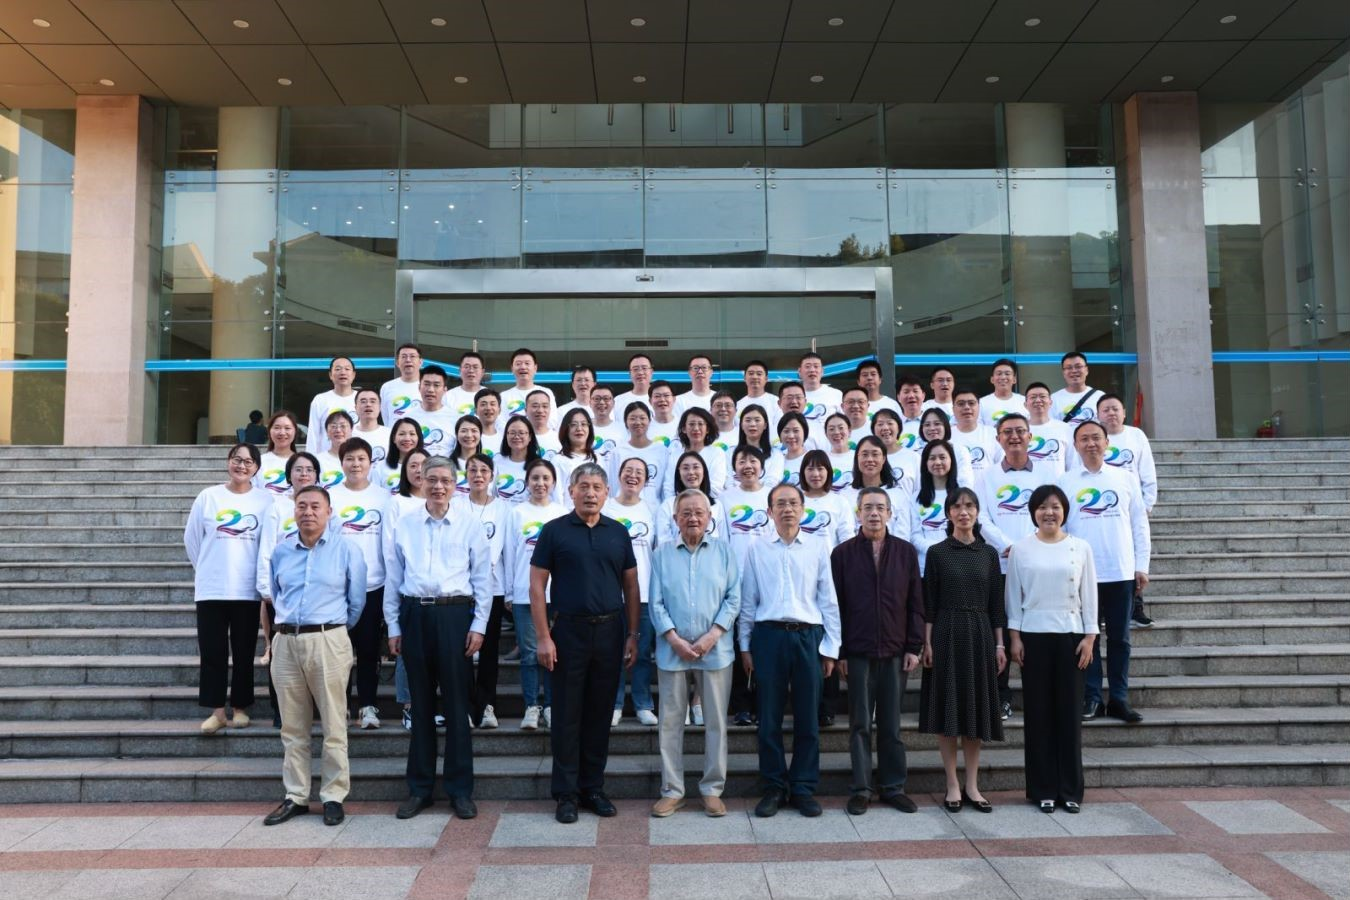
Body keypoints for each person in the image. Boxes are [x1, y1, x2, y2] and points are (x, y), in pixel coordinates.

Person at [530, 463, 641, 824]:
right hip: (567, 633)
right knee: (566, 714)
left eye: (597, 487)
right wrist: (543, 637)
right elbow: (536, 586)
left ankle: (593, 788)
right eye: (584, 486)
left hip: (610, 632)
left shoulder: (618, 532)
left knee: (599, 713)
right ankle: (566, 793)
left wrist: (633, 634)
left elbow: (631, 586)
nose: (590, 493)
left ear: (607, 493)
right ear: (571, 491)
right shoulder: (554, 531)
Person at [383, 456, 493, 821]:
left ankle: (460, 790)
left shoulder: (469, 524)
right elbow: (394, 577)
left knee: (458, 706)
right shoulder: (406, 523)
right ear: (421, 480)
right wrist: (394, 625)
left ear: (455, 484)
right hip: (415, 614)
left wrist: (479, 625)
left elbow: (482, 578)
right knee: (421, 705)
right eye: (432, 479)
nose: (438, 486)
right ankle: (420, 789)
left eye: (445, 479)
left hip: (454, 616)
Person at [262, 485, 366, 828]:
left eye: (315, 506)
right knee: (293, 727)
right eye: (302, 506)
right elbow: (275, 595)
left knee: (334, 724)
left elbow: (356, 602)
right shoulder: (281, 552)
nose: (308, 512)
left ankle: (333, 796)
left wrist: (332, 630)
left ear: (329, 512)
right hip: (286, 642)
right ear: (294, 510)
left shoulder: (347, 549)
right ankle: (296, 795)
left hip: (328, 639)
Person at [739, 482, 842, 819]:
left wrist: (830, 648)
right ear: (769, 511)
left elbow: (828, 600)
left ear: (802, 509)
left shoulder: (817, 547)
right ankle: (773, 786)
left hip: (808, 638)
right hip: (768, 637)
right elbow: (748, 601)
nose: (787, 509)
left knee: (807, 718)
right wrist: (745, 645)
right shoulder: (756, 549)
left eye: (793, 503)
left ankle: (802, 787)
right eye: (780, 504)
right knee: (768, 718)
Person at [1006, 484, 1098, 814]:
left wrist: (1090, 637)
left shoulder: (1080, 547)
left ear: (1064, 512)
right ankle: (1042, 788)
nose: (1049, 512)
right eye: (1043, 506)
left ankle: (1070, 789)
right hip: (1033, 636)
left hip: (1071, 637)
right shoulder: (1021, 549)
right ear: (1033, 512)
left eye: (1056, 506)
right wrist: (1015, 638)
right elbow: (1012, 596)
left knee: (1069, 715)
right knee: (1038, 715)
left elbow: (1090, 594)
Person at [649, 490, 741, 818]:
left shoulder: (724, 552)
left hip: (715, 650)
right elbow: (655, 602)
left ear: (709, 517)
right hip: (672, 650)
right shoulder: (661, 554)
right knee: (670, 723)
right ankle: (672, 791)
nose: (693, 518)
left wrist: (712, 635)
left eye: (699, 512)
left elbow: (733, 598)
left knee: (715, 722)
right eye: (686, 512)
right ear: (675, 518)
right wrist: (674, 639)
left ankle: (712, 789)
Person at [832, 486, 924, 816]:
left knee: (891, 724)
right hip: (857, 651)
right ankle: (861, 788)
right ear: (857, 513)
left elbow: (916, 603)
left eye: (880, 508)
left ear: (890, 513)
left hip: (896, 650)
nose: (874, 513)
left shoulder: (905, 552)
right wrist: (840, 652)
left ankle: (893, 786)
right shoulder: (842, 554)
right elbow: (836, 606)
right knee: (859, 723)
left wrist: (914, 646)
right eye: (867, 508)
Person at [919, 487, 1006, 813]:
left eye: (969, 506)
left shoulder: (989, 554)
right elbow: (929, 603)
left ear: (978, 511)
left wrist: (1000, 644)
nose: (963, 512)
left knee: (975, 709)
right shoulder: (937, 552)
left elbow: (996, 604)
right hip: (946, 632)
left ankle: (972, 784)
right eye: (957, 506)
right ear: (948, 513)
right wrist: (927, 642)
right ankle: (952, 784)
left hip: (980, 634)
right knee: (948, 708)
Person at [1059, 421, 1150, 724]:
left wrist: (1141, 565)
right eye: (1084, 439)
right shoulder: (1066, 482)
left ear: (1107, 442)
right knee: (1088, 637)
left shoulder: (1125, 478)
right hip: (1082, 574)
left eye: (1096, 438)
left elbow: (1139, 523)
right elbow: (1061, 529)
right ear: (1075, 446)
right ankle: (1093, 697)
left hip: (1120, 571)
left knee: (1120, 638)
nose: (1091, 444)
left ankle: (1119, 698)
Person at [184, 443, 270, 734]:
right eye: (237, 459)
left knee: (244, 652)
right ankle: (217, 711)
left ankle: (241, 708)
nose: (241, 466)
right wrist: (209, 567)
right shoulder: (208, 497)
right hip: (212, 589)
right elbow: (192, 539)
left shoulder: (265, 501)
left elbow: (268, 544)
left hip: (247, 589)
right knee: (213, 652)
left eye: (248, 462)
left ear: (256, 468)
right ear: (228, 462)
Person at [975, 413, 1055, 722]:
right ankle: (1001, 695)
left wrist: (1033, 546)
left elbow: (1055, 512)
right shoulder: (987, 477)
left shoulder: (1047, 474)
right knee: (1003, 632)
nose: (1014, 436)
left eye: (1020, 431)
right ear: (998, 439)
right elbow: (981, 517)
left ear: (1030, 436)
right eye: (1007, 432)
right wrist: (1008, 545)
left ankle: (1040, 694)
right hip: (1002, 564)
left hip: (1040, 563)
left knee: (1037, 628)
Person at [327, 437, 390, 729]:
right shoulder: (330, 496)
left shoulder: (384, 497)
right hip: (337, 587)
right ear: (341, 463)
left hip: (374, 585)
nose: (355, 464)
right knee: (338, 653)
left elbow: (389, 543)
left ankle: (368, 706)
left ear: (370, 462)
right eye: (350, 459)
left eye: (361, 458)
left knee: (368, 651)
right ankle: (339, 708)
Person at [256, 451, 320, 727]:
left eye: (309, 469)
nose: (304, 474)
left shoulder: (325, 504)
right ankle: (280, 709)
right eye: (298, 469)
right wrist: (265, 589)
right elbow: (267, 549)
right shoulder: (278, 507)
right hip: (283, 592)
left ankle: (314, 707)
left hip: (318, 591)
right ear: (289, 475)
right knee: (281, 653)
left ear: (317, 475)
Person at [503, 458, 568, 731]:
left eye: (545, 478)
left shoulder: (563, 513)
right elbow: (509, 553)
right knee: (530, 653)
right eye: (535, 478)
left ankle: (552, 706)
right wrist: (509, 591)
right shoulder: (516, 513)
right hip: (524, 593)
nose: (540, 483)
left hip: (558, 595)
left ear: (553, 482)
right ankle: (532, 706)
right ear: (527, 482)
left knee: (554, 652)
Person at [604, 458, 660, 727]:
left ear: (646, 480)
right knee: (612, 651)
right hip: (610, 593)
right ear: (619, 475)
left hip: (644, 591)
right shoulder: (606, 507)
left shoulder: (652, 509)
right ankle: (613, 704)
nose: (633, 476)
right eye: (628, 471)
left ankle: (642, 703)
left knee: (642, 650)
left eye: (639, 472)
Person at [1096, 392, 1158, 629]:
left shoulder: (1136, 435)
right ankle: (1103, 611)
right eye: (1106, 410)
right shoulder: (1093, 437)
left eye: (1115, 409)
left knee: (1134, 558)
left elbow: (1147, 472)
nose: (1111, 413)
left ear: (1124, 413)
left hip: (1131, 507)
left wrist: (1147, 504)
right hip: (1103, 508)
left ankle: (1136, 608)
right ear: (1098, 415)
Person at [721, 445, 772, 727]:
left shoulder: (772, 495)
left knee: (762, 642)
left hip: (767, 578)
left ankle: (763, 703)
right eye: (742, 461)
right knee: (738, 641)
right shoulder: (725, 498)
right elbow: (722, 540)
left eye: (753, 460)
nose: (748, 466)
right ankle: (741, 705)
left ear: (762, 465)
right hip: (736, 579)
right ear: (735, 467)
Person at [459, 453, 509, 730]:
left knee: (489, 649)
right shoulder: (457, 505)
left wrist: (510, 590)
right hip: (462, 587)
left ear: (491, 476)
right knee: (464, 649)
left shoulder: (503, 509)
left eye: (484, 470)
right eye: (473, 470)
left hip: (494, 587)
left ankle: (487, 704)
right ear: (465, 475)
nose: (478, 475)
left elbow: (509, 551)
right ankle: (466, 705)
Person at [658, 451, 730, 547]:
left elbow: (723, 542)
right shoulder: (668, 505)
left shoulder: (716, 505)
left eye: (696, 467)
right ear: (679, 474)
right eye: (685, 468)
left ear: (704, 472)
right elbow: (663, 544)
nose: (691, 472)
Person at [910, 439, 961, 573]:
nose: (937, 462)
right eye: (932, 458)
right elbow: (915, 535)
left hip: (958, 564)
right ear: (925, 463)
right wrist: (938, 550)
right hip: (926, 566)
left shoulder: (962, 494)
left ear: (951, 460)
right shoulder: (916, 498)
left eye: (942, 457)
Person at [843, 435, 910, 538]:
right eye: (865, 455)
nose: (870, 459)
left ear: (883, 459)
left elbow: (903, 534)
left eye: (875, 454)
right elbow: (845, 533)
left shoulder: (899, 495)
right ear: (857, 458)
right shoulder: (845, 496)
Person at [666, 407, 726, 500]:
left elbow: (715, 489)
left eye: (700, 424)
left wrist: (695, 502)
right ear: (684, 429)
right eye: (691, 424)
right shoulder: (675, 455)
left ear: (707, 429)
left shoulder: (717, 453)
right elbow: (668, 488)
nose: (696, 428)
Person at [306, 357, 358, 455]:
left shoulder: (362, 399)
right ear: (330, 375)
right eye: (338, 369)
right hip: (326, 459)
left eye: (347, 369)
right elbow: (313, 433)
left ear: (353, 374)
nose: (343, 372)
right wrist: (310, 459)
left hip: (355, 457)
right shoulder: (320, 400)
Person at [618, 401, 666, 506]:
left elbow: (665, 486)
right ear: (625, 422)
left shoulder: (661, 451)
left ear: (649, 421)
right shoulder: (618, 451)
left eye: (642, 418)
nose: (638, 422)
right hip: (624, 509)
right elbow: (614, 485)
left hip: (653, 509)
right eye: (632, 418)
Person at [1024, 382, 1076, 476]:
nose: (1038, 400)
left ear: (1050, 402)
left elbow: (1072, 463)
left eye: (1042, 396)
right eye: (1033, 397)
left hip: (1057, 484)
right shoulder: (1019, 430)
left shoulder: (1065, 428)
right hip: (1027, 483)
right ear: (1025, 404)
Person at [950, 388, 1001, 480]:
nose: (966, 407)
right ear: (953, 409)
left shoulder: (993, 433)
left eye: (971, 403)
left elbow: (1001, 464)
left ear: (979, 407)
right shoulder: (946, 436)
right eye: (961, 404)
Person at [917, 408, 974, 487]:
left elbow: (965, 483)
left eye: (937, 424)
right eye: (927, 425)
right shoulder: (917, 455)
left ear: (945, 426)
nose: (932, 428)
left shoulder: (959, 451)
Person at [495, 415, 546, 505]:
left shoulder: (539, 466)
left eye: (521, 433)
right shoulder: (497, 461)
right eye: (512, 433)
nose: (517, 436)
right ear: (506, 435)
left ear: (530, 437)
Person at [553, 408, 598, 505]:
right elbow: (556, 497)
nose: (579, 428)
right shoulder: (558, 461)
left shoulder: (597, 458)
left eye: (583, 424)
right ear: (566, 429)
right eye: (573, 424)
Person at [734, 403, 785, 486]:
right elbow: (729, 482)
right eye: (748, 420)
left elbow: (772, 482)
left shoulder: (776, 455)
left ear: (765, 425)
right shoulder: (731, 453)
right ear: (741, 425)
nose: (752, 424)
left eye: (757, 420)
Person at [501, 347, 555, 423]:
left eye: (527, 363)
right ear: (512, 369)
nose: (523, 367)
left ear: (535, 368)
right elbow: (501, 423)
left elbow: (553, 420)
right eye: (518, 364)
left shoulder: (546, 392)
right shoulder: (503, 396)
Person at [414, 364, 458, 457]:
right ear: (419, 387)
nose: (431, 390)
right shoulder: (408, 418)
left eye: (436, 385)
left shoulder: (455, 418)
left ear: (445, 390)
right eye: (426, 384)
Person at [871, 407, 919, 489]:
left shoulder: (914, 457)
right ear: (873, 430)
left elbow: (919, 490)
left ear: (899, 428)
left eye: (890, 423)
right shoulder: (869, 459)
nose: (885, 428)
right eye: (880, 424)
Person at [255, 410, 301, 496]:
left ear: (295, 431)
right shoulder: (259, 462)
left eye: (287, 428)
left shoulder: (303, 462)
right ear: (269, 431)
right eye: (277, 428)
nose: (282, 433)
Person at [380, 343, 424, 426]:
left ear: (421, 362)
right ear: (397, 362)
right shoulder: (387, 387)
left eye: (412, 356)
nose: (408, 360)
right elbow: (386, 418)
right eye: (403, 357)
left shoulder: (428, 387)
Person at [1051, 352, 1101, 425]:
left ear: (1086, 370)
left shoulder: (1100, 396)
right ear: (1063, 373)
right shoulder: (1053, 399)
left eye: (1078, 366)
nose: (1074, 371)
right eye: (1069, 368)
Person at [379, 417, 424, 495]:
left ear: (418, 438)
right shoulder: (380, 468)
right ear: (394, 438)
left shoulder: (429, 467)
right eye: (402, 434)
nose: (407, 438)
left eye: (412, 434)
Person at [979, 358, 1028, 428]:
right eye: (999, 374)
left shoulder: (1025, 401)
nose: (1003, 377)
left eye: (1007, 374)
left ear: (1014, 379)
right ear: (992, 379)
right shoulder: (982, 403)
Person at [798, 351, 841, 430]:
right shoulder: (794, 396)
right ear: (799, 372)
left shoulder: (836, 394)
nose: (812, 370)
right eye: (807, 366)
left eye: (816, 366)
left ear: (822, 371)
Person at [353, 388, 390, 469]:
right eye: (363, 401)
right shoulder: (348, 434)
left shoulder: (391, 434)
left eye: (373, 401)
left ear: (380, 407)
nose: (368, 404)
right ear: (355, 407)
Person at [449, 414, 485, 497]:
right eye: (464, 431)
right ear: (456, 434)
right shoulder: (447, 464)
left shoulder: (488, 465)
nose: (469, 435)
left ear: (480, 434)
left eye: (474, 431)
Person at [315, 411, 350, 490]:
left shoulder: (358, 459)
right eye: (333, 426)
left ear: (351, 430)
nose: (338, 430)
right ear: (327, 432)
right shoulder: (317, 460)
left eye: (343, 426)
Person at [823, 412, 858, 492]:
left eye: (841, 428)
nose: (836, 432)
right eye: (831, 429)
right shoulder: (822, 460)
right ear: (826, 434)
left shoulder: (859, 457)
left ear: (849, 431)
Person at [736, 359, 777, 426]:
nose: (755, 377)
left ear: (766, 379)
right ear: (744, 378)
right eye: (751, 373)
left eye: (759, 374)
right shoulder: (738, 405)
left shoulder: (776, 402)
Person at [446, 350, 486, 417]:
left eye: (475, 367)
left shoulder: (489, 396)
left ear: (482, 372)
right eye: (467, 367)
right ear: (460, 370)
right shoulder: (448, 396)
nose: (471, 370)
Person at [615, 353, 654, 417]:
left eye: (644, 368)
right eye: (635, 369)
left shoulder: (663, 399)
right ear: (630, 373)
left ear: (651, 372)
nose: (640, 372)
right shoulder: (618, 401)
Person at [776, 412, 810, 486]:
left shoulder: (812, 460)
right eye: (786, 431)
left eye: (796, 431)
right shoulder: (777, 462)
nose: (791, 436)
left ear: (804, 433)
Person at [527, 389, 561, 457]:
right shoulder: (519, 439)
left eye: (545, 406)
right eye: (535, 406)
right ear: (526, 410)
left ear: (550, 409)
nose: (540, 410)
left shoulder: (560, 439)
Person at [647, 380, 680, 446]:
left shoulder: (683, 425)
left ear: (674, 399)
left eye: (666, 395)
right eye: (657, 396)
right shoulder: (644, 428)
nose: (662, 399)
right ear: (650, 401)